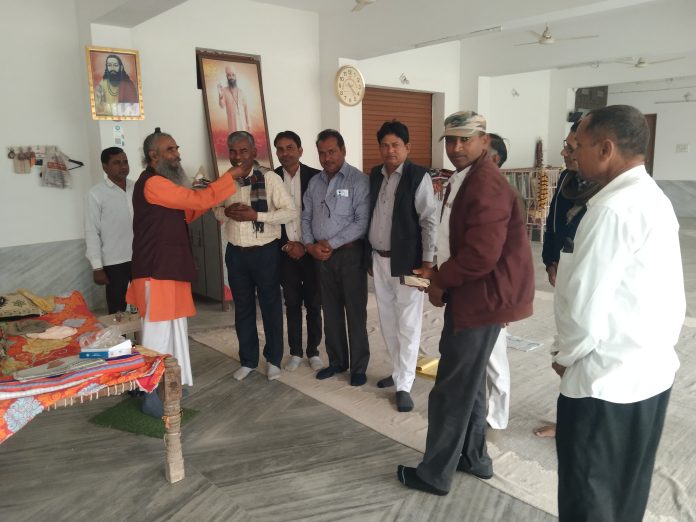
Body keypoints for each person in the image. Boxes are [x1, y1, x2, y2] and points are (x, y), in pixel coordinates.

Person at [552, 105, 685, 522]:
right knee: (626, 492)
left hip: (604, 384)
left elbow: (584, 310)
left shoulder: (611, 210)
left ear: (605, 149)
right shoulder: (653, 198)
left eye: (578, 145)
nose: (572, 154)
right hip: (649, 374)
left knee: (588, 500)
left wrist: (565, 356)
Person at [397, 111, 534, 495]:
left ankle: (434, 474)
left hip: (482, 299)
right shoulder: (467, 177)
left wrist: (440, 280)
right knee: (469, 385)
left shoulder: (485, 184)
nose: (456, 147)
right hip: (475, 293)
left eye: (465, 139)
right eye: (451, 140)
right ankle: (474, 457)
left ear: (484, 141)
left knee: (451, 390)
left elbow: (480, 256)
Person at [127, 130, 244, 416]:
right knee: (157, 336)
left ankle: (174, 385)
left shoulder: (162, 184)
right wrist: (228, 178)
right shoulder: (153, 182)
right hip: (156, 271)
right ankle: (152, 395)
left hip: (169, 270)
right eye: (170, 149)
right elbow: (193, 201)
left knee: (175, 331)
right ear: (153, 156)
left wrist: (209, 198)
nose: (177, 154)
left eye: (176, 148)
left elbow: (188, 211)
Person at [534, 118, 600, 438]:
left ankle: (583, 426)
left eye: (572, 148)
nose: (564, 153)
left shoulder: (605, 193)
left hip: (586, 278)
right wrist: (550, 260)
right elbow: (553, 223)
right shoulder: (566, 179)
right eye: (566, 146)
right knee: (564, 349)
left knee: (580, 354)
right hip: (563, 270)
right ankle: (570, 421)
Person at [366, 120, 438, 412]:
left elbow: (429, 220)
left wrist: (428, 263)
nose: (390, 150)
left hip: (409, 262)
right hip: (379, 259)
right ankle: (398, 372)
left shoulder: (418, 176)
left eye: (395, 145)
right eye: (385, 145)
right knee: (387, 319)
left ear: (407, 147)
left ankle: (405, 384)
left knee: (408, 323)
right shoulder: (375, 174)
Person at [214, 131, 296, 382]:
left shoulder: (269, 178)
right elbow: (215, 210)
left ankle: (273, 360)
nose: (238, 156)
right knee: (243, 308)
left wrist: (256, 216)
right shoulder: (225, 180)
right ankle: (248, 360)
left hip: (265, 253)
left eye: (243, 151)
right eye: (233, 151)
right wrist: (225, 212)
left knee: (270, 307)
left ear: (254, 151)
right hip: (236, 254)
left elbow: (290, 212)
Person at [301, 129, 370, 386]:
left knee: (355, 311)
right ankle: (337, 361)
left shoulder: (358, 181)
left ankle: (359, 367)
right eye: (322, 153)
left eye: (332, 151)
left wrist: (330, 243)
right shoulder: (315, 183)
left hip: (350, 255)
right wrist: (310, 245)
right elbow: (306, 217)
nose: (327, 157)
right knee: (329, 311)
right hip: (321, 257)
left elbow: (361, 222)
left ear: (343, 150)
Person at [273, 131, 324, 373]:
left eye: (290, 147)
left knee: (314, 303)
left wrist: (306, 245)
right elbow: (269, 217)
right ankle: (295, 352)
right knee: (292, 303)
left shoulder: (316, 177)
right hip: (285, 253)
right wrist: (287, 245)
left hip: (311, 252)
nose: (285, 153)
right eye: (280, 149)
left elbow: (321, 216)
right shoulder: (271, 178)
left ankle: (313, 351)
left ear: (300, 150)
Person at [484, 133, 512, 430]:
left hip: (495, 292)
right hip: (471, 290)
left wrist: (506, 301)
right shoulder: (471, 188)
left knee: (494, 358)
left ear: (495, 159)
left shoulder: (504, 197)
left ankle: (497, 417)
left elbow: (511, 258)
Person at [84, 147, 133, 314]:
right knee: (118, 309)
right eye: (117, 163)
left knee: (144, 304)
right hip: (114, 262)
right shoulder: (96, 194)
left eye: (125, 162)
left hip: (141, 258)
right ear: (105, 167)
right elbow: (92, 230)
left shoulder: (137, 188)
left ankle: (142, 332)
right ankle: (120, 333)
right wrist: (97, 267)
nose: (123, 166)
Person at [217, 66, 251, 135]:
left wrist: (249, 124)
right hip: (232, 123)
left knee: (243, 139)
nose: (231, 77)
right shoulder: (224, 90)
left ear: (235, 77)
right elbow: (222, 106)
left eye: (233, 75)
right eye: (229, 75)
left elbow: (246, 108)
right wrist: (220, 95)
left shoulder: (241, 91)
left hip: (242, 123)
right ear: (227, 77)